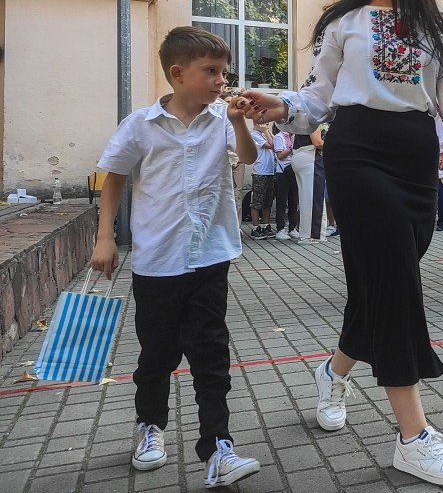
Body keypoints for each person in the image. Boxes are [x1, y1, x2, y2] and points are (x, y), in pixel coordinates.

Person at [238, 0, 443, 487]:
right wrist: (279, 107)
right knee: (395, 281)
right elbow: (316, 99)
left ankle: (335, 370)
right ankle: (413, 436)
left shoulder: (438, 30)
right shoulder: (344, 23)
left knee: (382, 281)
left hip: (414, 157)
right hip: (356, 151)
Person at [90, 26, 261, 488]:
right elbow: (114, 178)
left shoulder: (222, 121)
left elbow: (247, 157)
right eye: (211, 72)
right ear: (178, 73)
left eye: (224, 73)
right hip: (157, 261)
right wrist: (105, 236)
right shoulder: (141, 125)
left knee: (211, 354)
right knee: (157, 355)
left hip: (209, 256)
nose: (221, 81)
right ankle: (151, 426)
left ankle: (218, 447)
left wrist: (242, 121)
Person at [292, 127, 325, 242]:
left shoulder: (300, 117)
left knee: (304, 199)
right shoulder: (313, 118)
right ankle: (313, 235)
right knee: (314, 197)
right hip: (309, 156)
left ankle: (304, 232)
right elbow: (317, 142)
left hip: (298, 155)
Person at [249, 121, 276, 239]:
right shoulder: (254, 134)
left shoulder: (265, 134)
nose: (267, 124)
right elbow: (270, 145)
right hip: (260, 172)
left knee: (268, 201)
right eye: (264, 122)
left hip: (270, 171)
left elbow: (276, 143)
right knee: (257, 200)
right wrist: (266, 131)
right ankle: (255, 227)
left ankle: (266, 225)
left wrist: (267, 131)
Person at [273, 130, 300, 240]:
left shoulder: (295, 136)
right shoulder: (279, 137)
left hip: (294, 169)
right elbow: (280, 155)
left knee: (294, 200)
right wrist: (291, 148)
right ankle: (280, 229)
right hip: (282, 171)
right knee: (282, 201)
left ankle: (292, 228)